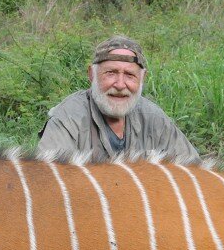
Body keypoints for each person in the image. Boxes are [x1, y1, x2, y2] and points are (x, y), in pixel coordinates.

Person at [37, 35, 199, 162]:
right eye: (111, 73)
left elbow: (194, 170)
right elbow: (51, 185)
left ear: (142, 79)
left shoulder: (154, 118)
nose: (120, 85)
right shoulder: (68, 119)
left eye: (130, 75)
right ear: (92, 75)